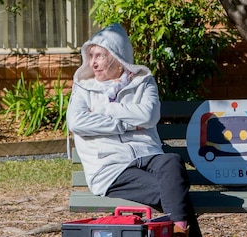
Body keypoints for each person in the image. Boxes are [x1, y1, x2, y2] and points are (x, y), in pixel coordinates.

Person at [66, 23, 202, 237]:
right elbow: (77, 122)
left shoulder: (143, 82)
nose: (93, 63)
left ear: (118, 58)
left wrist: (103, 109)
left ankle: (178, 231)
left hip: (147, 155)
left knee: (172, 161)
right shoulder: (84, 87)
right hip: (111, 168)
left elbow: (148, 115)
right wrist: (127, 123)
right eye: (91, 55)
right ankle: (180, 232)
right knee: (172, 193)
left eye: (100, 56)